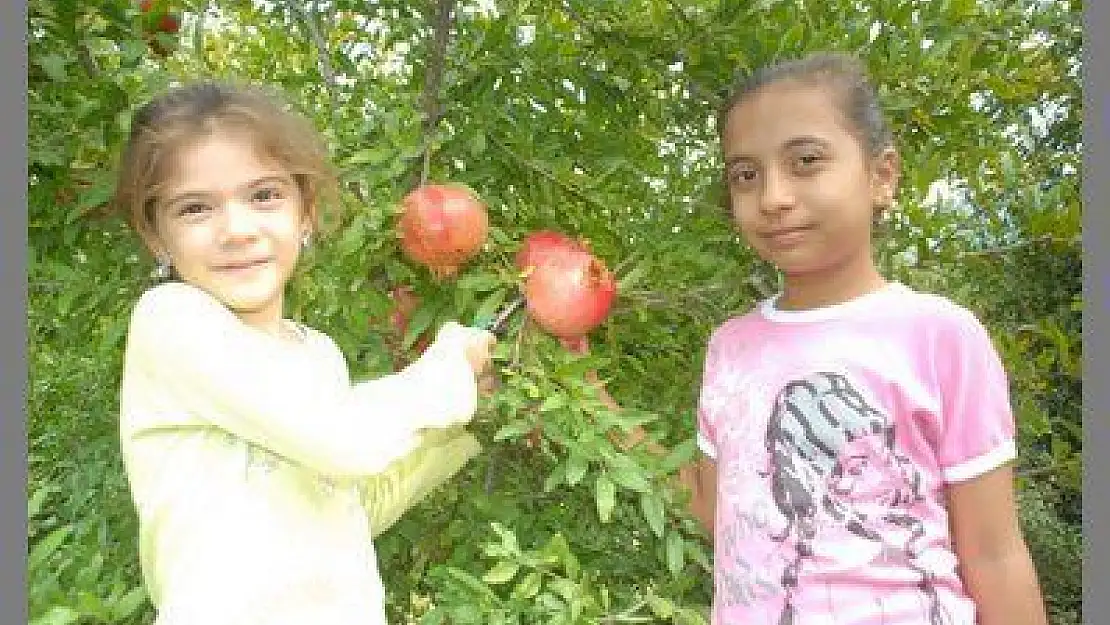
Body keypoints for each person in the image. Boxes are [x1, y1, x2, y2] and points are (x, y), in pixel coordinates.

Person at [677, 51, 1049, 625]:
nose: (773, 196)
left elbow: (995, 555)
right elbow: (715, 511)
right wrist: (589, 404)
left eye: (805, 161)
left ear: (881, 176)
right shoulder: (730, 346)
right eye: (746, 175)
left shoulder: (939, 335)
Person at [111, 80, 496, 625]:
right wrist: (450, 366)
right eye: (195, 208)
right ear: (156, 235)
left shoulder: (317, 353)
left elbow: (348, 508)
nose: (237, 230)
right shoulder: (171, 321)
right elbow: (343, 441)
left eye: (263, 195)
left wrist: (466, 423)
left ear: (305, 211)